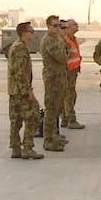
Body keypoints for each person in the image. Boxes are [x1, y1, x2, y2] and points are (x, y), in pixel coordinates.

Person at [7, 22, 44, 160]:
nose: (33, 34)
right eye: (31, 31)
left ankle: (16, 148)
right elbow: (20, 72)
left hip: (13, 90)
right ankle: (27, 147)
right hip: (21, 91)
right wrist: (28, 91)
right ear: (24, 32)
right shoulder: (21, 48)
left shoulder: (15, 46)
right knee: (33, 116)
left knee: (15, 120)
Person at [39, 15, 69, 151]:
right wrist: (67, 54)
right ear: (48, 27)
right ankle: (48, 139)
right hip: (52, 79)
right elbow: (62, 57)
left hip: (59, 77)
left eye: (59, 26)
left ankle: (54, 134)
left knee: (57, 108)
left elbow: (66, 52)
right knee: (51, 110)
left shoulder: (57, 39)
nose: (58, 28)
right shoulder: (49, 41)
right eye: (55, 26)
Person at [60, 19, 85, 129]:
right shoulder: (65, 41)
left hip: (73, 71)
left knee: (69, 95)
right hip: (67, 72)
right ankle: (71, 119)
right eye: (74, 24)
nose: (77, 26)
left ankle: (65, 118)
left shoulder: (73, 39)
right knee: (69, 96)